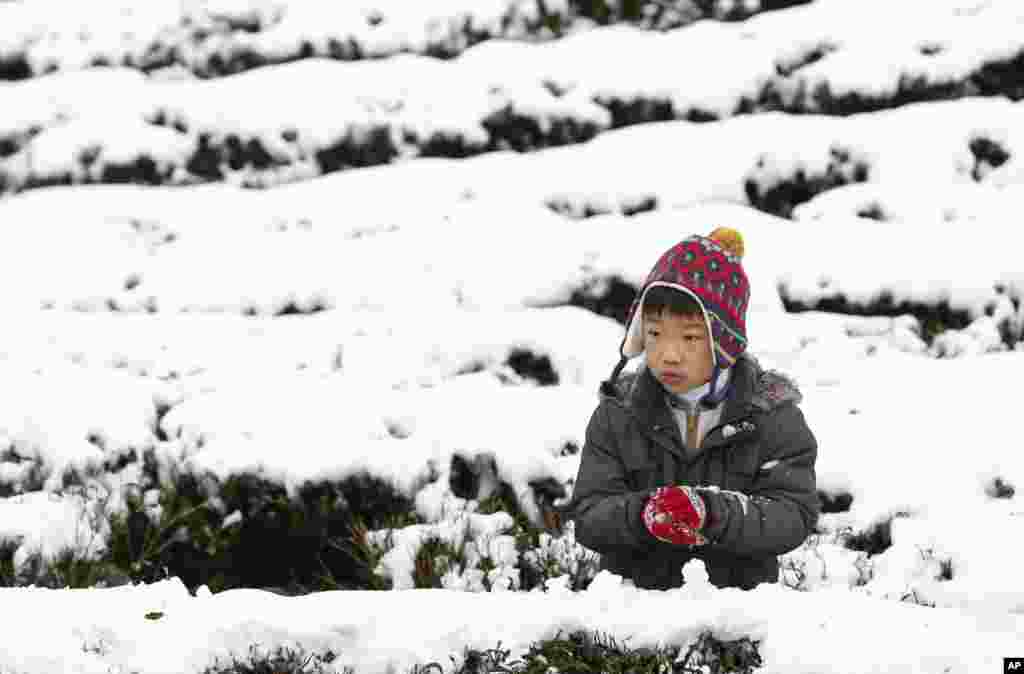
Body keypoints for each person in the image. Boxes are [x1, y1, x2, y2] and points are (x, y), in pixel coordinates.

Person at [568, 227, 819, 590]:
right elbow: (590, 515)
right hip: (632, 615)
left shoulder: (771, 415)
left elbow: (793, 514)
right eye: (654, 334)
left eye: (689, 337)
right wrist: (644, 514)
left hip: (738, 614)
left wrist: (713, 513)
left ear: (723, 342)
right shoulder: (617, 413)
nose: (669, 354)